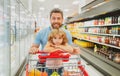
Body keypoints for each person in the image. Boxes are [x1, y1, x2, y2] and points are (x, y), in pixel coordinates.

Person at [29, 8, 73, 72]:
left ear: (62, 20)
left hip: (58, 62)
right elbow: (34, 46)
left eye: (58, 18)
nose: (56, 21)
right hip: (43, 62)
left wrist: (74, 50)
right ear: (50, 19)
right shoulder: (41, 32)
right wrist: (33, 49)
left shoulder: (67, 34)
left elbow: (70, 48)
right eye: (53, 18)